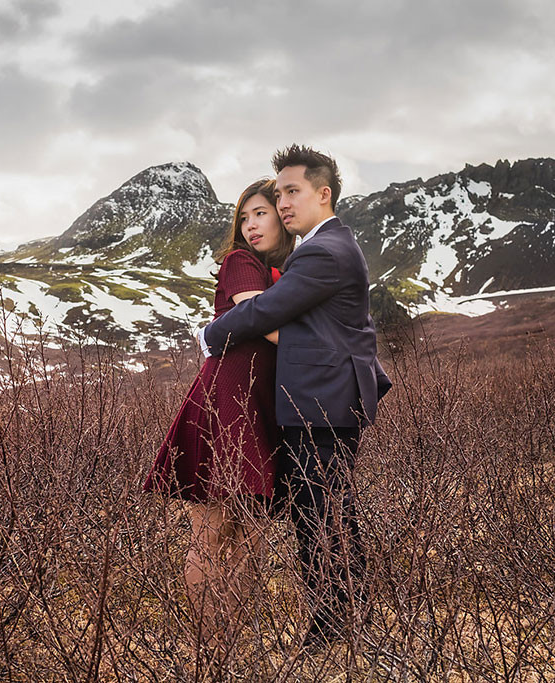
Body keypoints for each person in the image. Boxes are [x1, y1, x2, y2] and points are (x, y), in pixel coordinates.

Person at [199, 145, 392, 646]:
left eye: (292, 192)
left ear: (323, 193)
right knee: (324, 513)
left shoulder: (324, 250)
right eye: (278, 193)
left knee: (322, 516)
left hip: (322, 403)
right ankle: (339, 624)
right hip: (322, 400)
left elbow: (267, 311)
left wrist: (212, 334)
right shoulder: (328, 246)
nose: (283, 203)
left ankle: (333, 631)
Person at [144, 178, 292, 652]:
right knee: (211, 534)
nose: (250, 225)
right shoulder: (240, 262)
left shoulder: (284, 272)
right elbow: (262, 321)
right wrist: (321, 352)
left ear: (284, 215)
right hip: (227, 400)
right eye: (244, 216)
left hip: (260, 405)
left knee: (251, 535)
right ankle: (212, 649)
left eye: (261, 213)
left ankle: (238, 645)